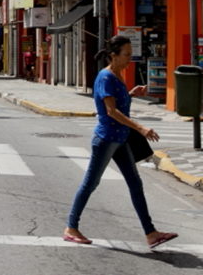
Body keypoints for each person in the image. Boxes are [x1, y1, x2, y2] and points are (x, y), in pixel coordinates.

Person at [64, 35, 178, 248]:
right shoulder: (105, 77)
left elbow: (120, 104)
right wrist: (141, 128)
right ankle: (71, 227)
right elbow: (111, 111)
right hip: (106, 139)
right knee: (91, 183)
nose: (129, 59)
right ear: (113, 56)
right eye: (126, 55)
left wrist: (131, 93)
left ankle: (151, 233)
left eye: (130, 55)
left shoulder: (118, 76)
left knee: (135, 183)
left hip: (121, 138)